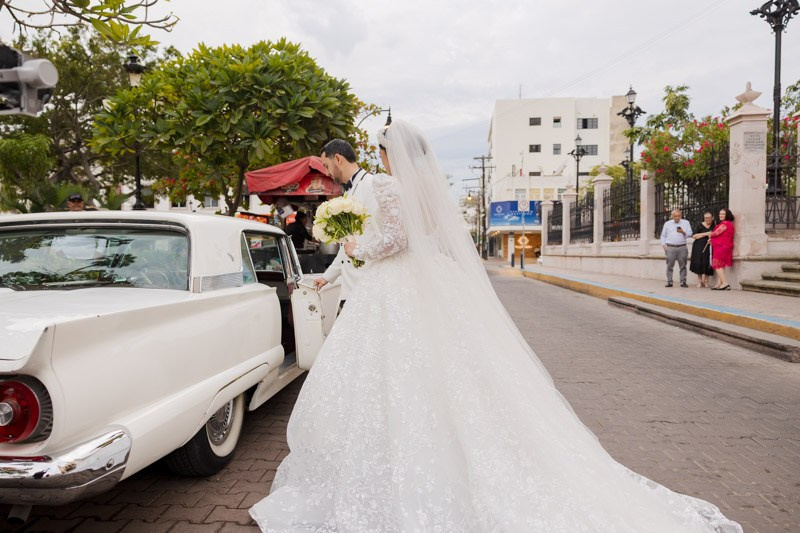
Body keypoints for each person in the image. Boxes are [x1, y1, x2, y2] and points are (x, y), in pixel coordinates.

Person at [249, 120, 741, 532]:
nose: (382, 159)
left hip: (393, 282)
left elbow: (396, 240)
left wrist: (360, 248)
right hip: (412, 282)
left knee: (396, 373)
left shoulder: (388, 186)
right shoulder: (419, 189)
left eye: (382, 151)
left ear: (390, 153)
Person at [313, 139, 377, 313]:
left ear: (338, 159)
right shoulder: (348, 191)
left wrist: (359, 251)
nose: (327, 173)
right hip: (349, 288)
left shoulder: (371, 185)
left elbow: (382, 236)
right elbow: (347, 244)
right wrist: (327, 277)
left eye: (326, 166)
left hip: (367, 287)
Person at [660, 208, 693, 287]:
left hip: (682, 247)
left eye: (678, 216)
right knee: (669, 265)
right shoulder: (667, 223)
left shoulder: (686, 222)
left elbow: (690, 233)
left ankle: (683, 282)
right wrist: (664, 245)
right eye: (675, 216)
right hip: (670, 247)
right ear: (672, 216)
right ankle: (669, 282)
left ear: (681, 215)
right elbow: (663, 235)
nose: (677, 217)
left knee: (683, 266)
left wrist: (683, 232)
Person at [708, 208, 735, 291]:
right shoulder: (729, 224)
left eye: (723, 214)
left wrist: (710, 234)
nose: (721, 215)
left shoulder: (725, 224)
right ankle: (719, 284)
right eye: (720, 214)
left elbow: (716, 233)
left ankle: (725, 283)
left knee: (716, 265)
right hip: (725, 246)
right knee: (721, 266)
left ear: (727, 215)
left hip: (721, 246)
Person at [690, 210, 716, 288]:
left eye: (709, 218)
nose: (707, 219)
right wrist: (706, 234)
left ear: (712, 218)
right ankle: (699, 281)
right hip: (698, 247)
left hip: (709, 246)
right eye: (705, 218)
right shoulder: (699, 225)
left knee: (708, 263)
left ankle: (706, 281)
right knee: (699, 262)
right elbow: (694, 236)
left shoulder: (714, 225)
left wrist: (711, 238)